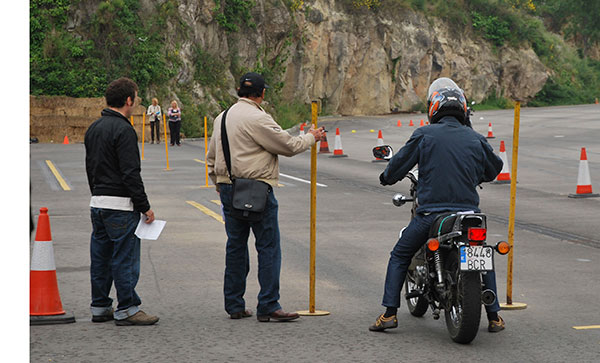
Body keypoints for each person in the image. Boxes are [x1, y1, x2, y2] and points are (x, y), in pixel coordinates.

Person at [369, 77, 506, 333]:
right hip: (470, 216)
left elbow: (399, 165)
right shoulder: (474, 137)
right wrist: (477, 175)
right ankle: (495, 316)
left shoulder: (424, 134)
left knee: (399, 254)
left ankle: (389, 314)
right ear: (462, 109)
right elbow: (495, 168)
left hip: (432, 215)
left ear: (434, 108)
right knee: (482, 256)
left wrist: (387, 177)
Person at [206, 72, 326, 322]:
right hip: (256, 189)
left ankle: (234, 304)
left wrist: (219, 183)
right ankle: (269, 304)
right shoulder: (258, 118)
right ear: (261, 94)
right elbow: (288, 145)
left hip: (228, 188)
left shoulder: (222, 117)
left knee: (235, 246)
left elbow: (211, 156)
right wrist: (311, 138)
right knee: (268, 247)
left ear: (240, 91)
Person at [84, 77, 159, 326]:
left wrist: (97, 194)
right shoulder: (124, 129)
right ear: (128, 100)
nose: (137, 102)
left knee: (101, 257)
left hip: (98, 202)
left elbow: (90, 168)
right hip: (120, 206)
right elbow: (130, 173)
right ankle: (127, 308)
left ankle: (100, 306)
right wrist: (144, 206)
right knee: (125, 258)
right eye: (136, 98)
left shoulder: (94, 128)